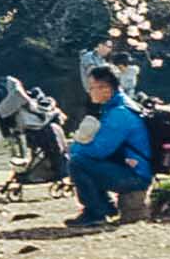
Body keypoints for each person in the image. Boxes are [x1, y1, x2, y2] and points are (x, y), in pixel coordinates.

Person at [64, 65, 153, 229]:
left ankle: (96, 213)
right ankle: (103, 208)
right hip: (134, 170)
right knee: (83, 161)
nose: (89, 91)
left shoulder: (119, 113)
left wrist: (74, 148)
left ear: (106, 89)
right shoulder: (119, 107)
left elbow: (99, 150)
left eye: (92, 87)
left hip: (135, 177)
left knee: (78, 162)